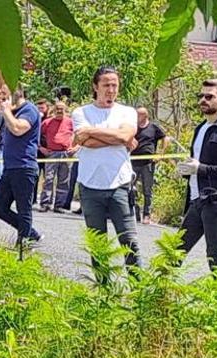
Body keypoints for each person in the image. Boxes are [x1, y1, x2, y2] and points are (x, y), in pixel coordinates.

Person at [72, 66, 141, 273]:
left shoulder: (127, 112)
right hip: (90, 186)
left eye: (115, 85)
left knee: (129, 242)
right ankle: (104, 292)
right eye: (106, 85)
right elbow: (87, 143)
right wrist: (117, 138)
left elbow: (123, 137)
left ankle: (139, 292)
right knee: (98, 245)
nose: (111, 90)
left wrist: (90, 132)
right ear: (95, 86)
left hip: (120, 185)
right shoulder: (81, 112)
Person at [176, 79, 217, 270]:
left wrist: (200, 169)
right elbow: (196, 162)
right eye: (201, 96)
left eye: (209, 96)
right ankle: (159, 296)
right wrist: (187, 171)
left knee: (215, 257)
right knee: (174, 251)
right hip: (197, 200)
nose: (203, 100)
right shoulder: (200, 128)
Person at [0, 87, 42, 247]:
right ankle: (31, 233)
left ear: (18, 91)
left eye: (5, 93)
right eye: (2, 95)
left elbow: (18, 129)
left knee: (24, 209)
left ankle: (24, 245)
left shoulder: (30, 110)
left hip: (24, 167)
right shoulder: (11, 111)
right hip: (10, 167)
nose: (3, 97)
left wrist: (6, 111)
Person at [131, 107, 168, 224]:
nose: (136, 118)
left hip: (148, 163)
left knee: (148, 190)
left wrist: (161, 153)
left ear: (145, 116)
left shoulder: (153, 127)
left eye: (139, 115)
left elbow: (165, 138)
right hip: (133, 162)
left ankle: (147, 214)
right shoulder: (133, 127)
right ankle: (134, 211)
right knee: (130, 188)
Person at [39, 101, 73, 213]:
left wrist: (75, 148)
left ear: (65, 110)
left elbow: (80, 135)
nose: (59, 111)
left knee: (64, 180)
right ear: (54, 109)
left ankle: (59, 205)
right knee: (48, 179)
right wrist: (40, 148)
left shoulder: (70, 122)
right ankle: (45, 203)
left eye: (62, 109)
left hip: (66, 154)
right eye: (57, 108)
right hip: (52, 154)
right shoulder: (47, 122)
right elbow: (36, 135)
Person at [33, 99, 51, 204]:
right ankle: (33, 199)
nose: (40, 110)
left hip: (49, 152)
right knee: (35, 176)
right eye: (38, 108)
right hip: (37, 151)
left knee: (48, 178)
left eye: (42, 108)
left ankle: (46, 200)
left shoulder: (49, 120)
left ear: (47, 109)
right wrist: (39, 147)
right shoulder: (34, 119)